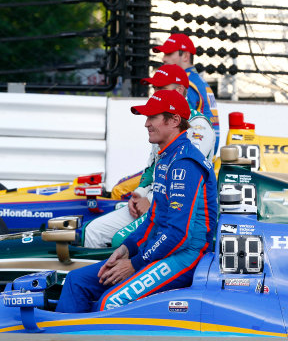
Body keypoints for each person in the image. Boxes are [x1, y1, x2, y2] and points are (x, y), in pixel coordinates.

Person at [56, 90, 218, 312]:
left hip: (187, 255)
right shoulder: (166, 158)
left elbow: (179, 234)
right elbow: (153, 219)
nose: (146, 124)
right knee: (77, 281)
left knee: (109, 302)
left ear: (174, 120)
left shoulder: (185, 163)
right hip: (165, 249)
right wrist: (127, 247)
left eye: (153, 117)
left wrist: (135, 264)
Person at [83, 64, 216, 248]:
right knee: (92, 231)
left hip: (176, 208)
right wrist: (138, 194)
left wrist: (151, 202)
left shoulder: (198, 125)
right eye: (154, 88)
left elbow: (182, 179)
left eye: (160, 88)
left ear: (179, 90)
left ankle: (124, 272)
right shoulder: (162, 124)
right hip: (152, 200)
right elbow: (152, 167)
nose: (154, 92)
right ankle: (104, 274)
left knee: (121, 241)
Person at [153, 33, 220, 151]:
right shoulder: (198, 81)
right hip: (203, 150)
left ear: (185, 56)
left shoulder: (186, 84)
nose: (164, 58)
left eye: (168, 53)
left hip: (194, 153)